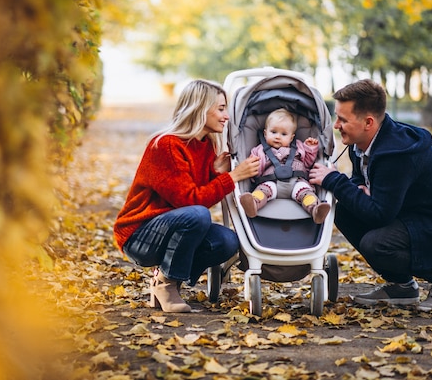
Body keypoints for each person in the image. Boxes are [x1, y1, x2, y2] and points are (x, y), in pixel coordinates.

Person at [309, 79, 432, 311]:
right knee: (344, 211)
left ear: (368, 122)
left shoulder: (395, 154)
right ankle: (401, 285)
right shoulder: (360, 144)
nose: (336, 125)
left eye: (343, 120)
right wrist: (356, 188)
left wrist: (333, 179)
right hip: (409, 212)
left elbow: (379, 215)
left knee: (377, 244)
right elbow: (360, 182)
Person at [113, 79, 261, 313]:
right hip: (139, 234)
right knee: (197, 214)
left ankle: (164, 279)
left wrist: (216, 173)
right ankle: (167, 284)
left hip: (170, 226)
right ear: (200, 109)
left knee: (227, 241)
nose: (226, 116)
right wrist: (231, 177)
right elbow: (190, 202)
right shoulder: (167, 145)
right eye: (221, 109)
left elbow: (193, 193)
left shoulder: (204, 145)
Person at [239, 108, 330, 223]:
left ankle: (315, 210)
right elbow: (253, 169)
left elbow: (308, 163)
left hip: (297, 182)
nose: (278, 137)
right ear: (265, 133)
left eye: (283, 134)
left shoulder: (299, 146)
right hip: (271, 182)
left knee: (306, 193)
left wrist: (310, 149)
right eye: (273, 132)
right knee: (262, 190)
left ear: (291, 137)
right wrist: (254, 164)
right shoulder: (259, 150)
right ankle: (253, 204)